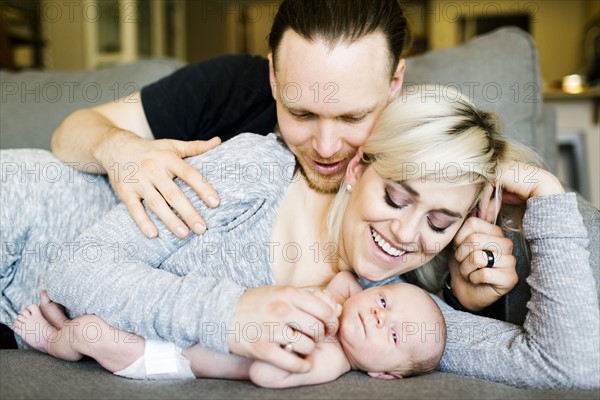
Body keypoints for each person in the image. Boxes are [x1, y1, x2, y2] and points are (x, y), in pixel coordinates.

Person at [18, 0, 515, 371]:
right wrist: (119, 149)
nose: (325, 146)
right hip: (23, 220)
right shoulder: (236, 104)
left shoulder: (416, 181)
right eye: (300, 113)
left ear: (394, 83)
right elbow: (70, 133)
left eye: (352, 117)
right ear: (275, 78)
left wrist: (463, 288)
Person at [5, 87, 598, 389]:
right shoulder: (258, 170)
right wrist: (233, 313)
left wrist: (548, 196)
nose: (404, 233)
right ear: (359, 169)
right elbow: (77, 270)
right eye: (396, 197)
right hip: (17, 213)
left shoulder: (392, 314)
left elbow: (569, 368)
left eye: (440, 222)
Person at [14, 271, 446, 386]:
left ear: (383, 374)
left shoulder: (330, 359)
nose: (379, 317)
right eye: (385, 302)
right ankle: (69, 327)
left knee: (94, 332)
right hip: (189, 320)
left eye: (393, 336)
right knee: (108, 309)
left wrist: (299, 352)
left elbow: (262, 374)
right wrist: (345, 300)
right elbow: (349, 280)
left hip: (169, 358)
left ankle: (55, 341)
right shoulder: (340, 304)